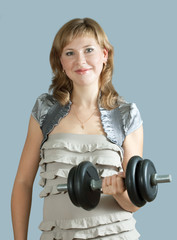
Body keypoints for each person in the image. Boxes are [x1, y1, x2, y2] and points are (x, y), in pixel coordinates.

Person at [11, 18, 143, 240]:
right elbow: (23, 183)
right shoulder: (45, 110)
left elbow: (134, 202)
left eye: (89, 50)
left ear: (104, 55)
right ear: (60, 62)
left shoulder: (126, 115)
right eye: (69, 53)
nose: (80, 61)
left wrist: (120, 191)